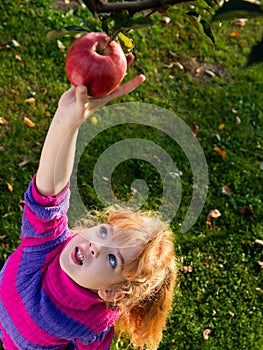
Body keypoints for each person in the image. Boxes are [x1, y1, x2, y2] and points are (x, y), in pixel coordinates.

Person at [0, 64, 177, 349]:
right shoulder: (47, 246)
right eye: (105, 232)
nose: (97, 246)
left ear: (112, 292)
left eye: (112, 260)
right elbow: (51, 189)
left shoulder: (96, 323)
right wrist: (68, 121)